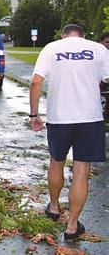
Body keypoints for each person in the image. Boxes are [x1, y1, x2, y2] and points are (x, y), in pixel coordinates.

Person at [29, 24, 109, 241]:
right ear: (83, 36)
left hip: (59, 118)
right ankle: (72, 226)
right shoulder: (98, 49)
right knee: (81, 171)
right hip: (89, 119)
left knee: (56, 161)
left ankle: (54, 208)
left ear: (63, 35)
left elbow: (36, 81)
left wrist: (33, 114)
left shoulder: (51, 48)